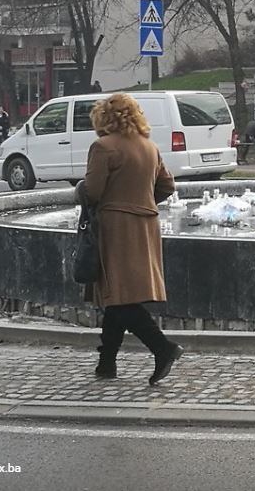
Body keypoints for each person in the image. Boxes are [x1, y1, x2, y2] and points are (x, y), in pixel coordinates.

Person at [83, 93, 182, 385]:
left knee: (118, 294)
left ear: (103, 117)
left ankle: (162, 348)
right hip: (145, 225)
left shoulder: (103, 146)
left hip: (115, 228)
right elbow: (167, 185)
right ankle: (106, 363)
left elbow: (93, 192)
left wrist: (83, 191)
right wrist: (142, 201)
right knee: (117, 296)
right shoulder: (149, 147)